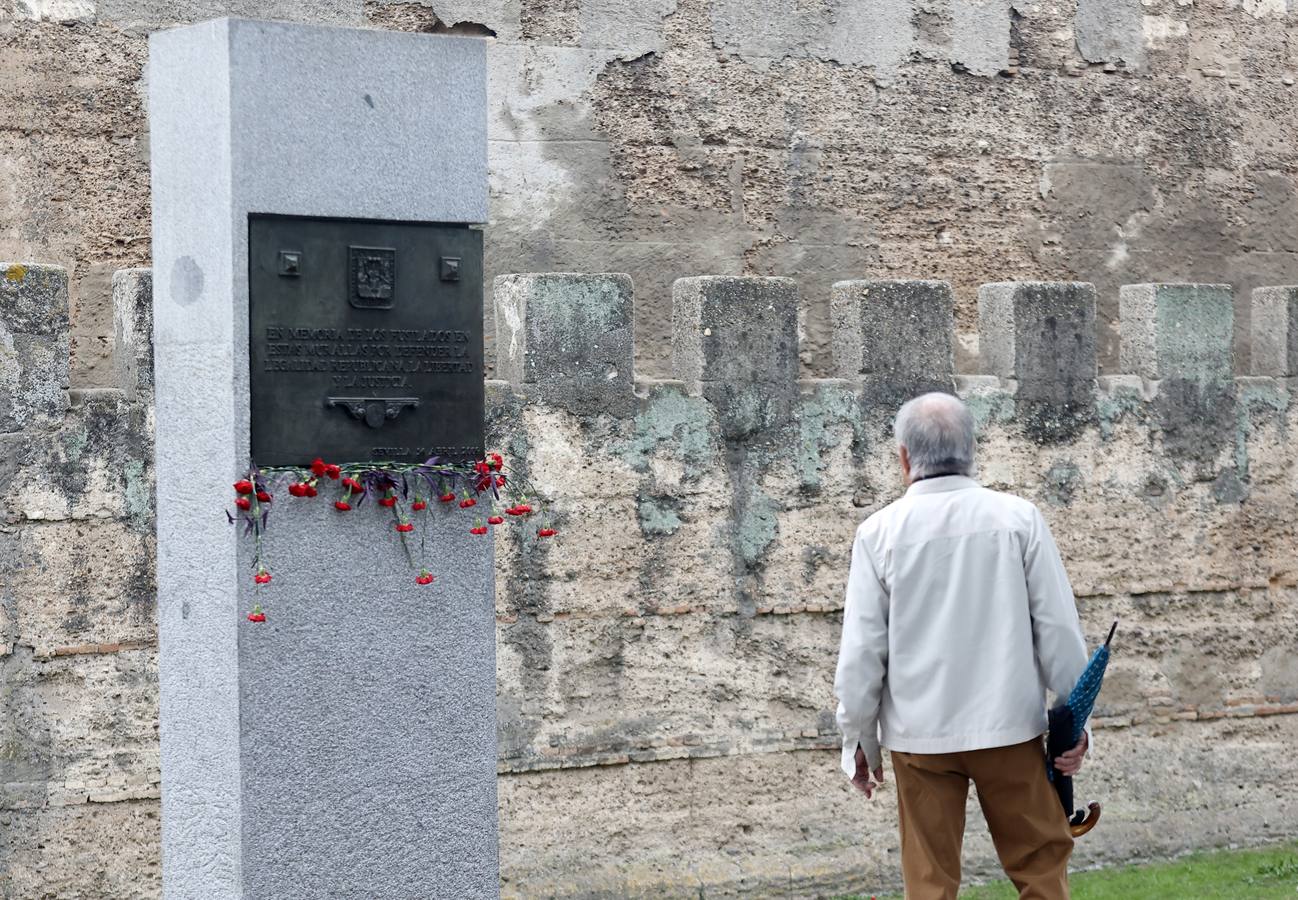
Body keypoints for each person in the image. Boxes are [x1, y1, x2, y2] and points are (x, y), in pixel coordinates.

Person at [834, 392, 1091, 900]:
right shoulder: (1018, 519)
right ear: (973, 450)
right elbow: (1059, 632)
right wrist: (1075, 727)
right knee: (1041, 871)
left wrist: (859, 741)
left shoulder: (878, 533)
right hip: (1010, 731)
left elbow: (862, 654)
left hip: (919, 739)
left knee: (928, 884)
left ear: (904, 457)